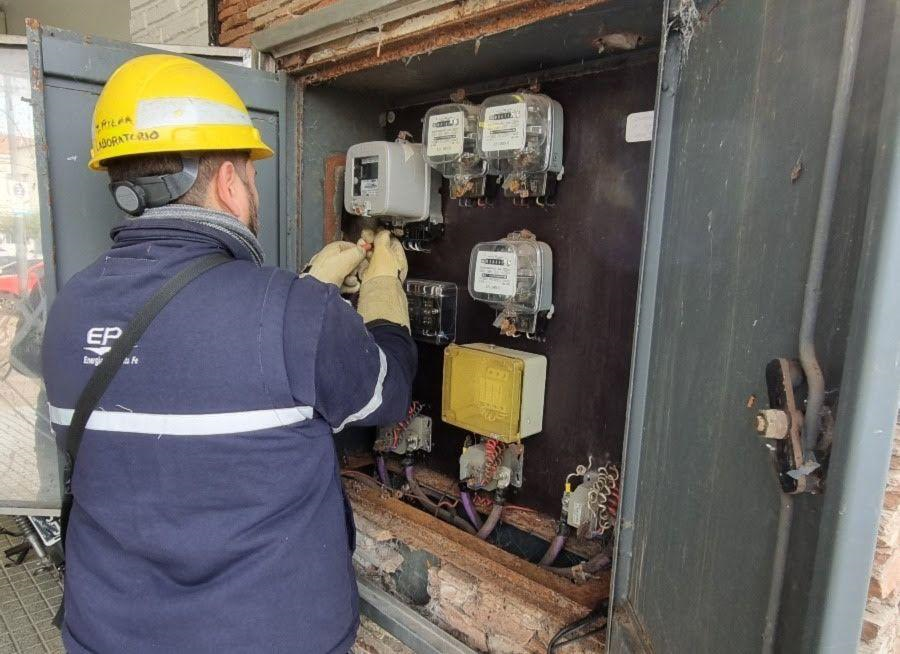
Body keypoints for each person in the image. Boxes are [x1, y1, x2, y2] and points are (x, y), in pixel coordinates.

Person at [40, 54, 416, 654]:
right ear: (226, 181)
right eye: (249, 172)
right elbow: (387, 393)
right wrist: (381, 297)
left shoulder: (67, 308)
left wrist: (306, 295)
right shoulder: (294, 314)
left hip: (106, 634)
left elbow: (190, 362)